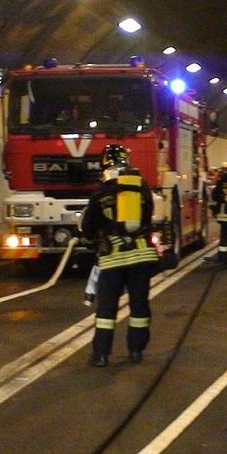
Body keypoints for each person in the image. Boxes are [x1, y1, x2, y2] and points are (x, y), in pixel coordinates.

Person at [80, 144, 159, 367]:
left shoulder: (101, 193)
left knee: (107, 309)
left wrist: (90, 242)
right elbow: (147, 217)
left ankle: (102, 355)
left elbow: (88, 226)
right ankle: (136, 352)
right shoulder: (141, 186)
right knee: (139, 307)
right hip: (141, 256)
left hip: (113, 258)